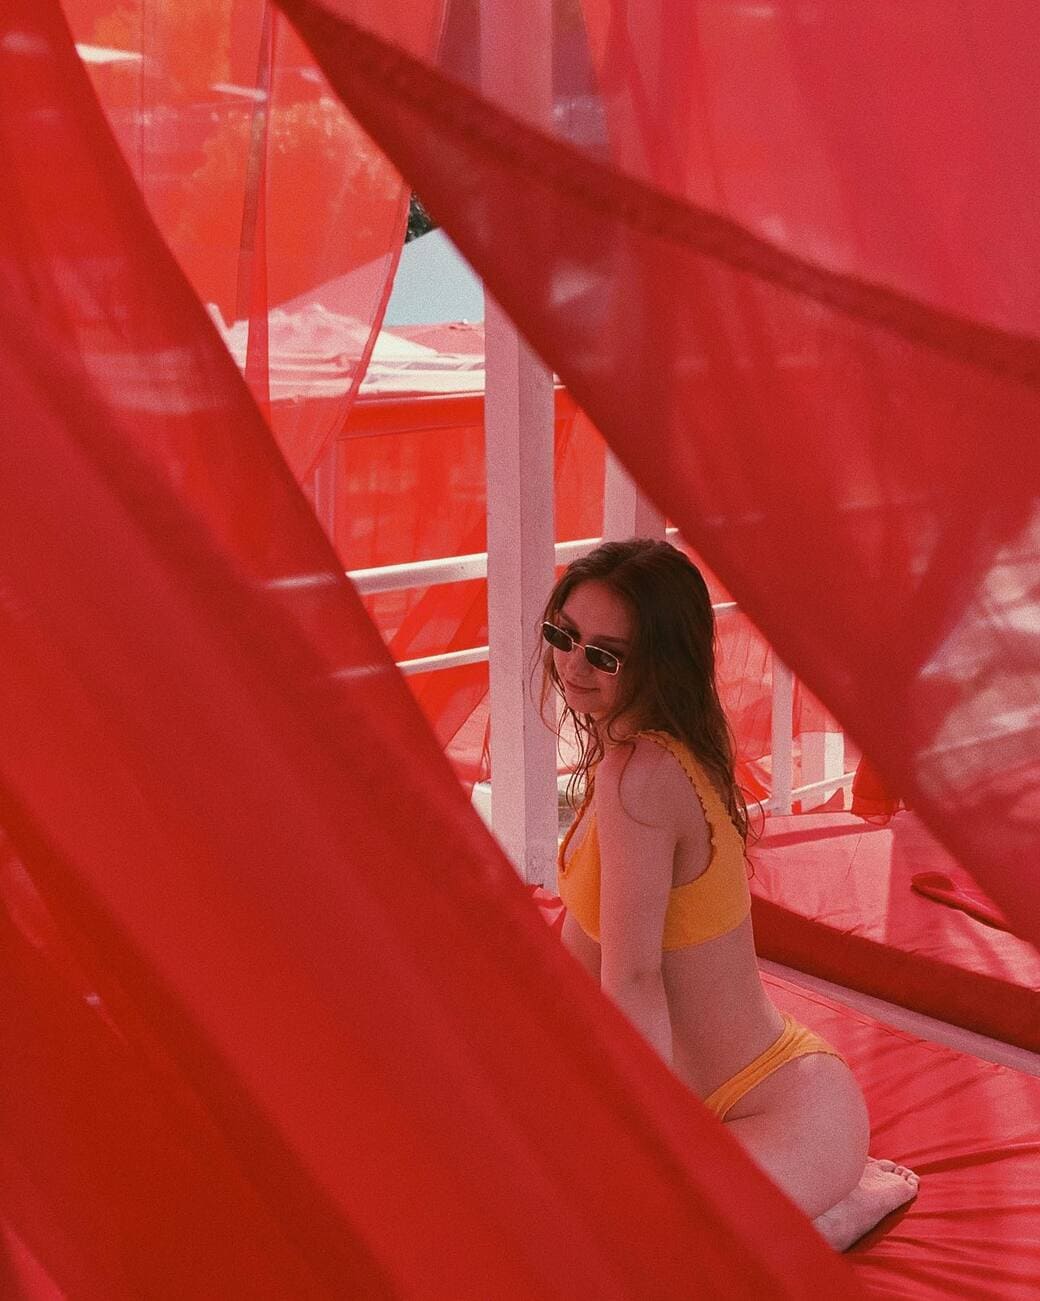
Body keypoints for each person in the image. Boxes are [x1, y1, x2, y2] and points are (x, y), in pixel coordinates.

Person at [541, 538, 918, 1251]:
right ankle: (814, 1200)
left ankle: (839, 1207)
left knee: (651, 1248)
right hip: (727, 1103)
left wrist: (645, 1142)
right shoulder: (635, 751)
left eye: (604, 655)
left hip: (781, 1110)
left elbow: (635, 976)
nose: (571, 666)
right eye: (564, 636)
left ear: (659, 662)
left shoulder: (642, 775)